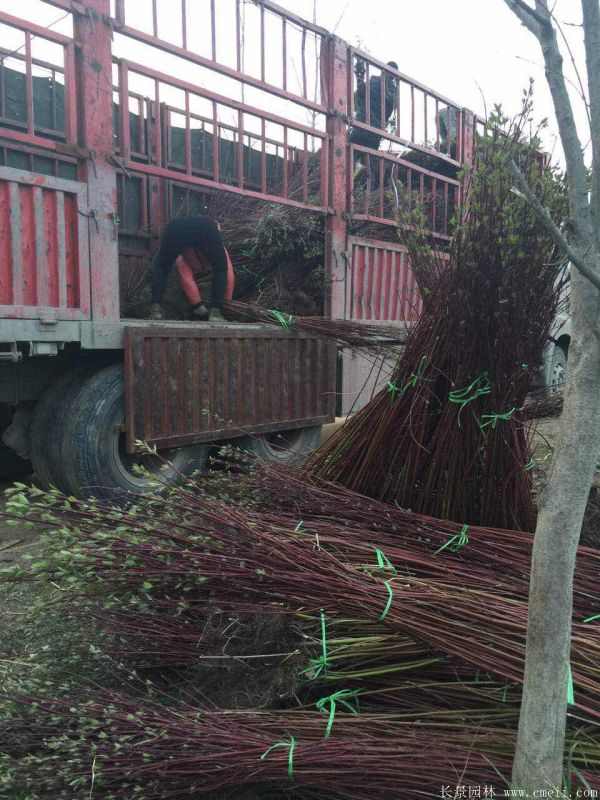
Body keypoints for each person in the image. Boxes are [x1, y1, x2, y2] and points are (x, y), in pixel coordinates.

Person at [149, 215, 235, 322]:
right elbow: (228, 275)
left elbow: (186, 278)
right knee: (221, 269)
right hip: (205, 228)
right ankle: (216, 313)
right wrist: (227, 303)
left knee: (161, 267)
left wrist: (197, 306)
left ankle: (155, 309)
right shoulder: (214, 241)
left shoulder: (183, 255)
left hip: (174, 227)